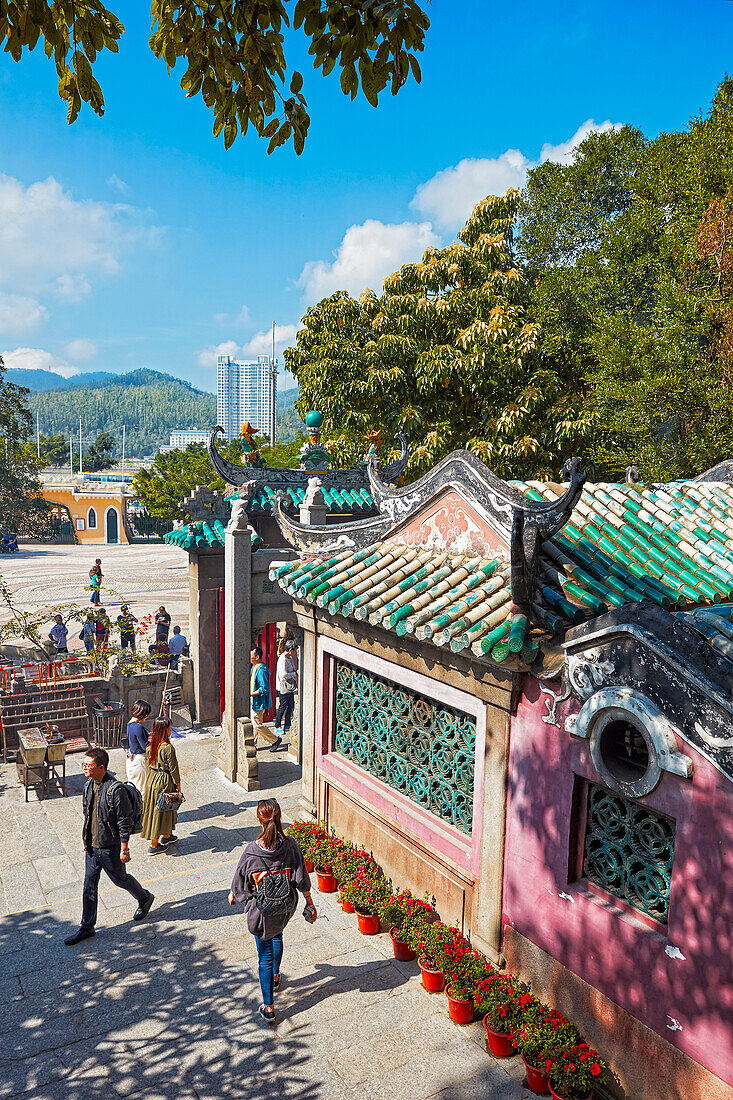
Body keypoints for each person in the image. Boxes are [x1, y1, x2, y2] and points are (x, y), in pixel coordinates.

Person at [229, 799, 315, 1024]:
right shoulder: (290, 846)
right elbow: (301, 878)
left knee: (264, 956)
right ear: (279, 818)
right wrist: (309, 902)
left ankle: (268, 1008)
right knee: (278, 935)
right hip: (285, 907)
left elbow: (240, 886)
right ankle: (276, 977)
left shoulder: (251, 852)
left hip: (262, 913)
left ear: (259, 820)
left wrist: (235, 896)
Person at [64, 747, 154, 946]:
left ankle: (145, 897)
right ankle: (87, 927)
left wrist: (125, 848)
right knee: (89, 885)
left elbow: (124, 820)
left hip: (109, 847)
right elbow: (89, 816)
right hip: (92, 847)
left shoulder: (116, 789)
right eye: (84, 765)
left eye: (88, 765)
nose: (85, 768)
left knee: (120, 879)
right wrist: (86, 840)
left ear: (101, 768)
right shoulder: (89, 785)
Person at [141, 717, 183, 854]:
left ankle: (166, 836)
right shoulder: (168, 748)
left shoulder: (150, 746)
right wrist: (179, 787)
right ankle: (154, 845)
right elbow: (174, 769)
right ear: (165, 730)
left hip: (152, 780)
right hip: (164, 781)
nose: (171, 730)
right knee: (161, 812)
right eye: (170, 727)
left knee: (160, 809)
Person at [273, 640, 298, 753]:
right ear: (290, 650)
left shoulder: (289, 658)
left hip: (290, 686)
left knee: (290, 705)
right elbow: (283, 675)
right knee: (282, 706)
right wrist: (294, 674)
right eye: (294, 650)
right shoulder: (283, 659)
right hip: (284, 686)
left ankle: (287, 723)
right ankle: (277, 725)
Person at [126, 699, 151, 794]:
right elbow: (145, 746)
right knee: (142, 790)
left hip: (131, 759)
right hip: (139, 761)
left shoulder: (129, 725)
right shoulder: (138, 727)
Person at [250, 646, 272, 747]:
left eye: (251, 656)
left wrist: (251, 694)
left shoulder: (261, 670)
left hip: (259, 701)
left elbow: (264, 688)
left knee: (257, 725)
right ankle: (252, 743)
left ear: (257, 657)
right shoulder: (253, 667)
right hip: (253, 700)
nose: (249, 657)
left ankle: (274, 740)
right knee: (255, 723)